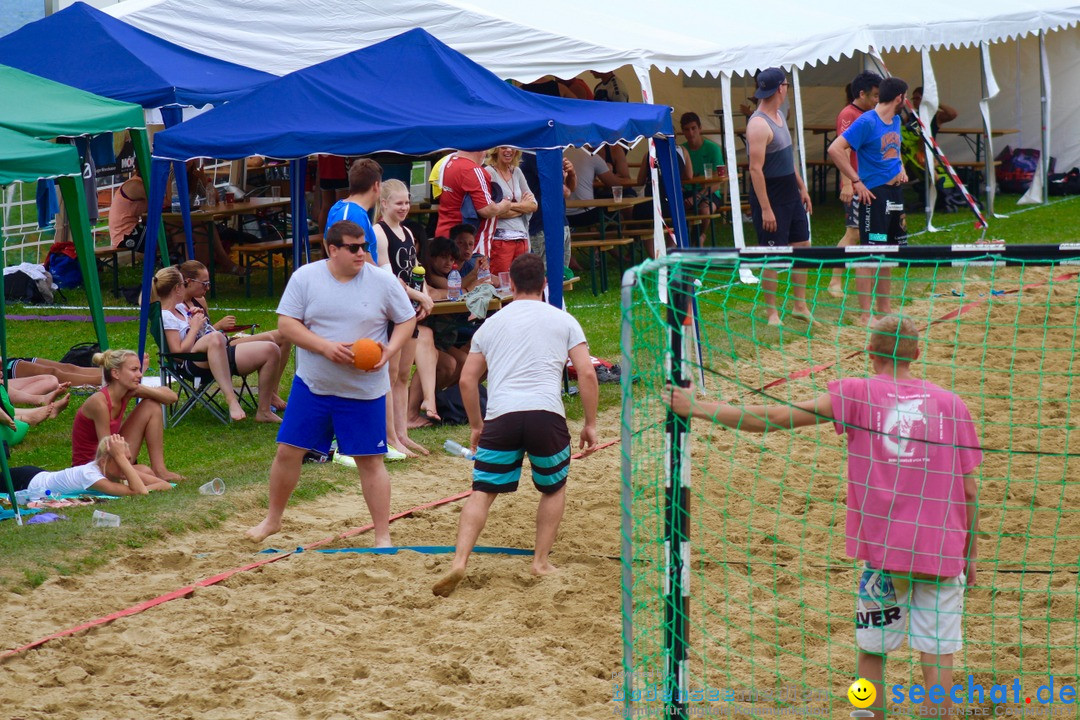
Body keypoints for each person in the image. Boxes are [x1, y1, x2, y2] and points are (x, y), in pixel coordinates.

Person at [665, 315, 980, 720]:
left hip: (884, 557)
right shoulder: (952, 403)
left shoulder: (856, 393)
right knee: (937, 655)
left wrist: (697, 407)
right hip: (942, 551)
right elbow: (970, 489)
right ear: (917, 354)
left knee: (871, 651)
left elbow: (773, 419)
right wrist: (970, 554)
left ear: (869, 353)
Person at [432, 254, 599, 597]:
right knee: (553, 487)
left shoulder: (491, 324)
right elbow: (586, 372)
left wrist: (476, 425)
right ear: (544, 284)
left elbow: (467, 380)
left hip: (502, 415)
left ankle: (459, 560)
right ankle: (540, 561)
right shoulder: (563, 319)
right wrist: (590, 424)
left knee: (482, 491)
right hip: (546, 415)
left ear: (511, 285)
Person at [245, 220, 417, 545]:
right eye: (353, 247)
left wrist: (391, 349)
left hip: (364, 391)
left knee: (371, 461)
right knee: (287, 451)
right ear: (332, 248)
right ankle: (272, 520)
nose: (361, 253)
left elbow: (406, 318)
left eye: (364, 246)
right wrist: (325, 347)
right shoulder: (306, 278)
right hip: (314, 386)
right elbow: (286, 324)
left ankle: (382, 535)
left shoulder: (381, 281)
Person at [154, 266, 282, 423]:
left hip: (215, 352)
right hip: (191, 361)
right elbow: (178, 352)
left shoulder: (180, 308)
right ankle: (231, 400)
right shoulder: (166, 316)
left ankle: (264, 411)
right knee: (215, 337)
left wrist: (197, 318)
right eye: (183, 284)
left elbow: (198, 331)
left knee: (271, 348)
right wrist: (194, 328)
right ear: (177, 288)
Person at [828, 76, 909, 325]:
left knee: (888, 253)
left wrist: (901, 167)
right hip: (874, 195)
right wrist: (855, 181)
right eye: (905, 98)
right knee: (869, 255)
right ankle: (866, 315)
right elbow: (835, 149)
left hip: (895, 194)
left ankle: (883, 309)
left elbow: (892, 150)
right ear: (899, 98)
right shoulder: (867, 121)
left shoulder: (895, 120)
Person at [745, 67, 814, 326]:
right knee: (773, 255)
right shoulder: (758, 124)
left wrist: (802, 188)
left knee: (802, 247)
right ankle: (772, 312)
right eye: (786, 85)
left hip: (790, 193)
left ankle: (800, 305)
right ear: (780, 89)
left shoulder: (780, 116)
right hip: (771, 196)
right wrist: (765, 209)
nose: (787, 89)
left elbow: (787, 158)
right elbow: (755, 169)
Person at [373, 179, 435, 457]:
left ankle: (402, 433)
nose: (405, 207)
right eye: (399, 203)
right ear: (384, 204)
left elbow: (412, 270)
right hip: (390, 312)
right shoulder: (379, 232)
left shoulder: (408, 233)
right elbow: (388, 278)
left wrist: (423, 295)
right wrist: (418, 296)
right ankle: (389, 437)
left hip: (408, 310)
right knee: (389, 374)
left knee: (402, 376)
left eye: (407, 202)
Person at [70, 349, 181, 484]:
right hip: (93, 467)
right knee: (145, 471)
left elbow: (172, 397)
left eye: (140, 370)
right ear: (116, 373)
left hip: (113, 456)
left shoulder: (126, 392)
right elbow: (106, 451)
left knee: (151, 405)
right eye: (134, 370)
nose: (139, 374)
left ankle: (160, 470)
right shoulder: (99, 403)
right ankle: (151, 476)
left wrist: (141, 389)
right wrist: (153, 482)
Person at [829, 71, 883, 298]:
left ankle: (869, 279)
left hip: (870, 183)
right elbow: (844, 149)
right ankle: (834, 281)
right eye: (875, 96)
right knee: (853, 233)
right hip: (856, 182)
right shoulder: (849, 114)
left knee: (868, 233)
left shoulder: (870, 114)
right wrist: (848, 184)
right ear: (861, 94)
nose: (878, 101)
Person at [9, 434, 172, 498]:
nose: (126, 465)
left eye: (128, 459)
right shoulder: (91, 476)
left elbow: (165, 485)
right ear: (103, 462)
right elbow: (139, 492)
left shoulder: (109, 471)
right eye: (120, 459)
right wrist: (121, 458)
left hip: (39, 475)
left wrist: (122, 459)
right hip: (25, 480)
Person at [435, 150, 511, 258]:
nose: (486, 154)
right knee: (469, 275)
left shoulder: (447, 163)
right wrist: (504, 206)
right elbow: (486, 210)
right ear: (480, 149)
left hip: (445, 235)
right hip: (468, 246)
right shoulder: (473, 170)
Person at [484, 147, 537, 277]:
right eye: (503, 147)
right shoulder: (489, 172)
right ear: (495, 150)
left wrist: (506, 205)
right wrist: (522, 208)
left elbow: (533, 205)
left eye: (512, 147)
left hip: (522, 238)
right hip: (500, 241)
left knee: (524, 280)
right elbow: (492, 211)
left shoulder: (517, 171)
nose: (508, 150)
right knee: (502, 283)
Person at [520, 153, 576, 268]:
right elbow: (564, 191)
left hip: (560, 222)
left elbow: (571, 188)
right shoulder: (533, 154)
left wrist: (572, 173)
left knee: (562, 275)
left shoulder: (552, 152)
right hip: (542, 226)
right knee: (544, 277)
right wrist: (565, 185)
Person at [680, 111, 727, 245]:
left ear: (700, 128)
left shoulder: (713, 149)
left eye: (694, 128)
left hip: (710, 193)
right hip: (687, 192)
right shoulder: (681, 150)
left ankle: (698, 237)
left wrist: (698, 196)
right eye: (687, 129)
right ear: (682, 131)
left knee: (704, 210)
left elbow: (717, 183)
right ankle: (681, 243)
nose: (691, 133)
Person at [325, 158, 382, 264]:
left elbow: (326, 241)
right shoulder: (357, 215)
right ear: (376, 186)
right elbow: (365, 260)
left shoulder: (336, 206)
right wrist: (387, 280)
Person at [564, 145, 631, 229]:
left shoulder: (559, 155)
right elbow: (615, 185)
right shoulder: (592, 156)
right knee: (617, 216)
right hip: (586, 214)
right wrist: (608, 171)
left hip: (561, 215)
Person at [109, 164, 147, 250]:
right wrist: (170, 176)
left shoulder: (143, 182)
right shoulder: (136, 185)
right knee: (170, 228)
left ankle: (179, 258)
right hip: (124, 236)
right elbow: (165, 200)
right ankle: (177, 258)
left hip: (132, 229)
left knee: (171, 227)